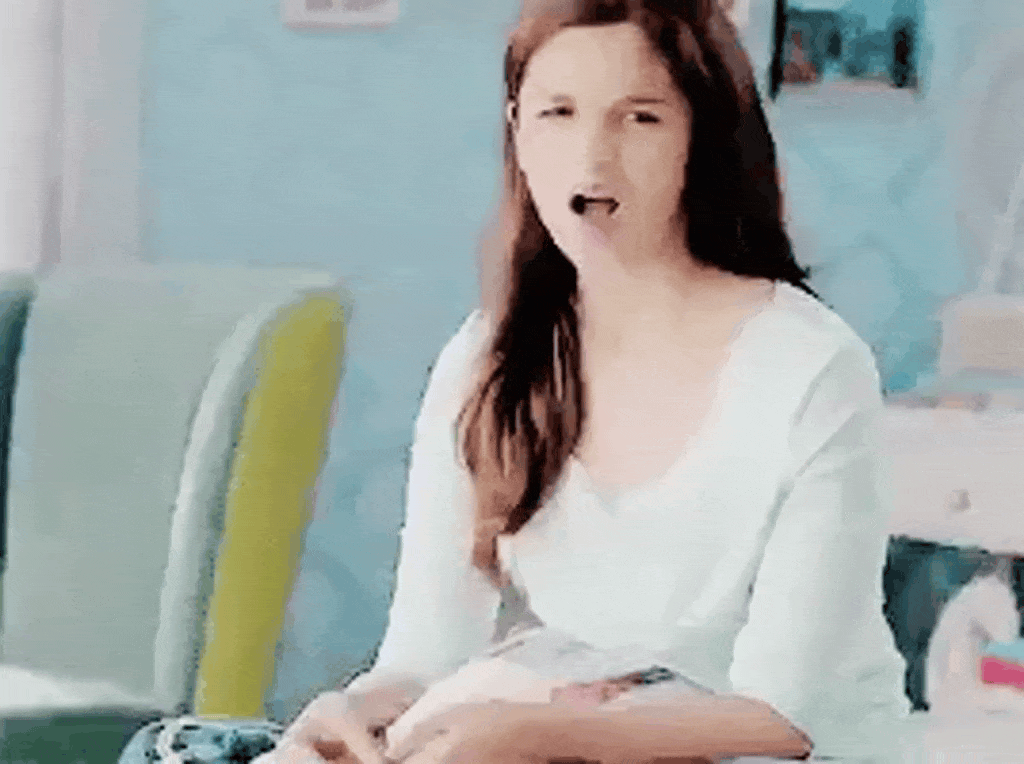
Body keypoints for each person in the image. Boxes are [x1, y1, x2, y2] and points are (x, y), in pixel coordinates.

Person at [261, 0, 910, 761]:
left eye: (640, 119)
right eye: (558, 113)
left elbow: (786, 717)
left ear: (701, 137)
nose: (593, 158)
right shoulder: (486, 359)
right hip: (576, 725)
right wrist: (353, 711)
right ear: (518, 132)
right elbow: (423, 658)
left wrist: (540, 732)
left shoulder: (810, 368)